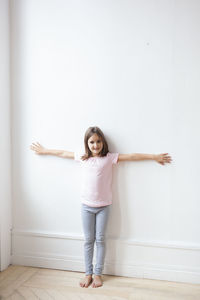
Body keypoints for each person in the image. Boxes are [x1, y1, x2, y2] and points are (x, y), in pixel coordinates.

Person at [30, 126, 172, 288]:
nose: (95, 145)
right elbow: (63, 153)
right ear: (87, 143)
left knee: (100, 239)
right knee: (88, 241)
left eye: (98, 141)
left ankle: (98, 274)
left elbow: (132, 156)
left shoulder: (109, 158)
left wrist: (154, 157)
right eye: (92, 142)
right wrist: (44, 150)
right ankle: (88, 273)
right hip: (86, 207)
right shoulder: (83, 157)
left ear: (103, 142)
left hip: (104, 207)